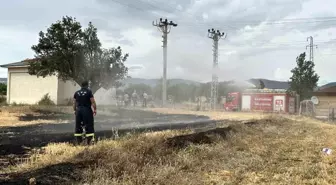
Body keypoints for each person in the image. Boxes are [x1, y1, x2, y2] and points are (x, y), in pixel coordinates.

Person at [73, 81, 97, 145]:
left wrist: (75, 110)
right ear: (87, 85)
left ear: (81, 85)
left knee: (78, 125)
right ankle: (89, 141)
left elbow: (74, 103)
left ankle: (79, 142)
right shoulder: (89, 92)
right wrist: (95, 109)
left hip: (79, 110)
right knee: (89, 125)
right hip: (87, 110)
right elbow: (93, 102)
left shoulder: (76, 93)